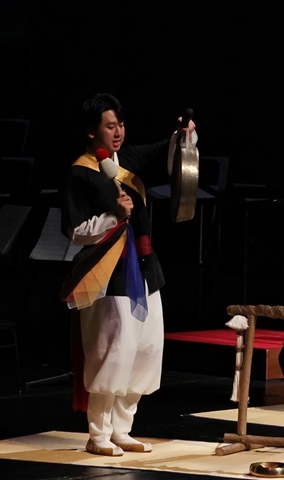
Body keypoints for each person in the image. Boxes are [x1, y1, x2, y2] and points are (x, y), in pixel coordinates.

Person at [60, 93, 196, 456]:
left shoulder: (127, 161)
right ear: (92, 132)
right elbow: (74, 231)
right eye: (109, 126)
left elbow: (165, 151)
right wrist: (114, 217)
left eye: (120, 124)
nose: (117, 131)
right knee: (114, 352)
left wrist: (182, 135)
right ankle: (98, 435)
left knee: (146, 349)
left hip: (144, 264)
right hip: (109, 272)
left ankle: (123, 428)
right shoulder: (80, 172)